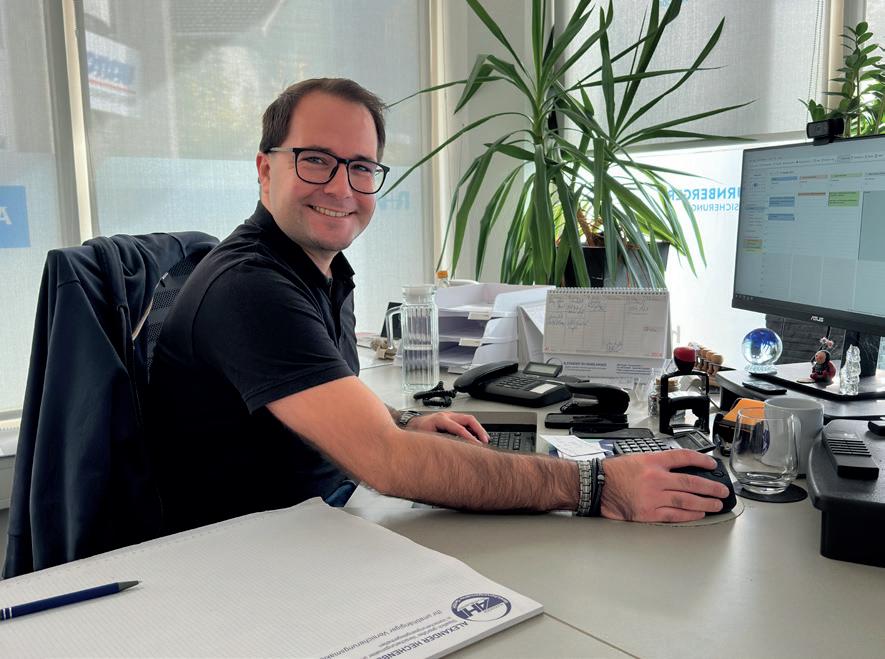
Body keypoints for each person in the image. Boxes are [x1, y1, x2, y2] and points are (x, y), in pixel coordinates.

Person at [146, 78, 727, 534]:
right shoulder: (250, 287)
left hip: (315, 522)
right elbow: (388, 463)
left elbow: (316, 405)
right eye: (316, 159)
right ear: (265, 168)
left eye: (361, 166)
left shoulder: (314, 269)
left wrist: (404, 421)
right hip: (247, 561)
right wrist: (598, 486)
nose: (342, 188)